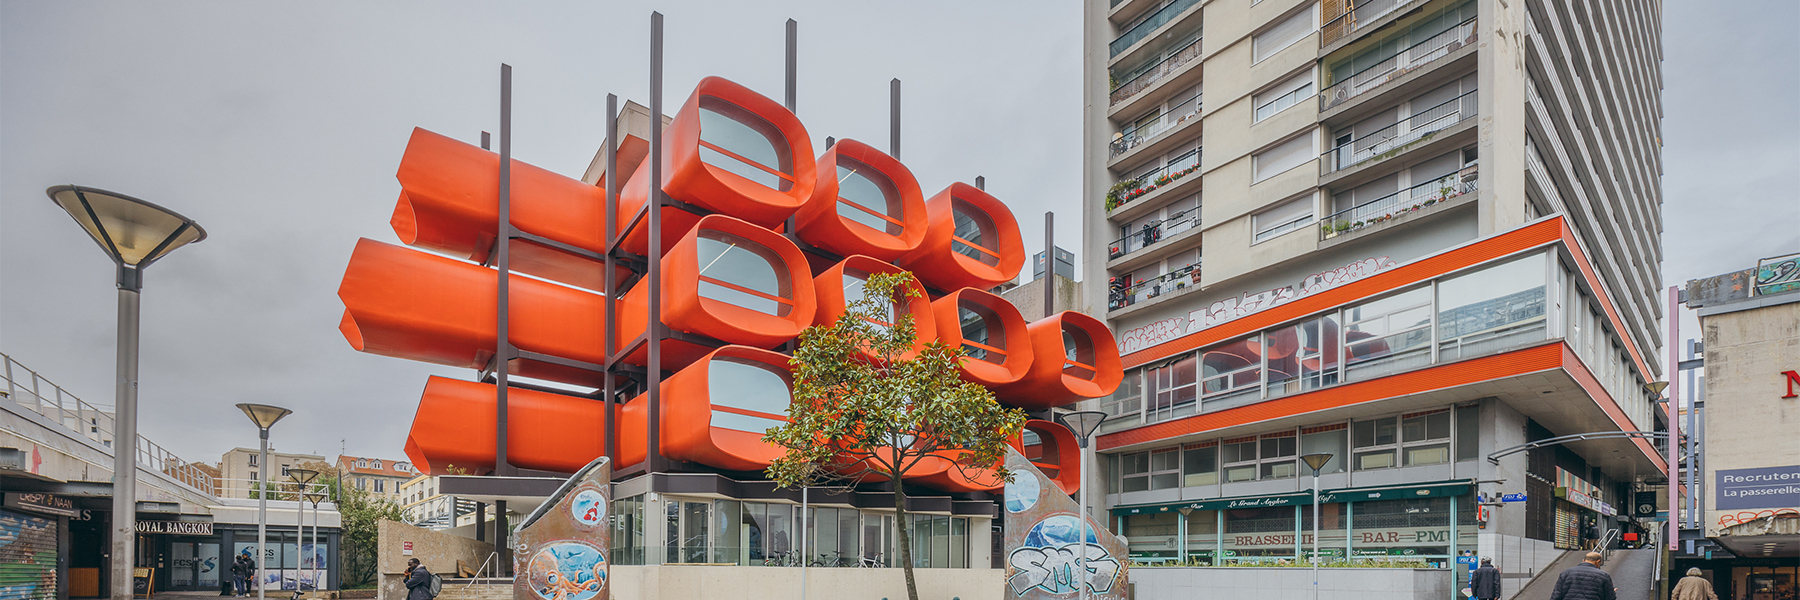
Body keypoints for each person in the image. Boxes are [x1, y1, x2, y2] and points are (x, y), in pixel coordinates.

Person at [1548, 552, 1616, 600]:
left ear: (1583, 560)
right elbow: (1610, 598)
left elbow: (1556, 596)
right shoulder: (1603, 575)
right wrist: (1611, 592)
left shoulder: (1566, 573)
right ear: (1597, 562)